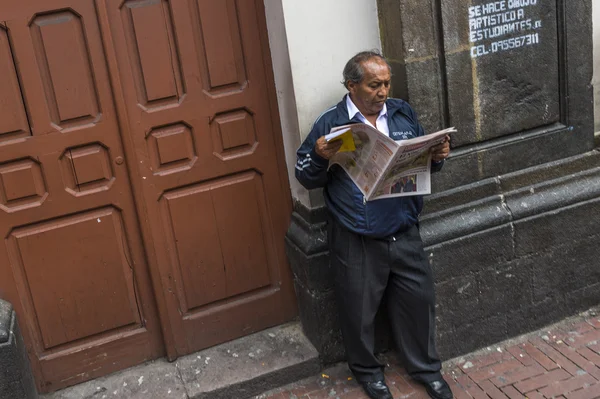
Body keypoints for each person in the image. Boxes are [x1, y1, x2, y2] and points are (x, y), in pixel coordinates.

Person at [295, 50, 453, 399]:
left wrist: (437, 158)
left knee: (418, 302)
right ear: (352, 85)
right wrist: (321, 158)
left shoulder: (401, 112)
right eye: (374, 85)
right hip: (357, 235)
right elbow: (305, 176)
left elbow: (425, 162)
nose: (383, 91)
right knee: (358, 309)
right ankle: (368, 373)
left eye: (386, 83)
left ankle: (427, 369)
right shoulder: (331, 123)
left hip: (403, 227)